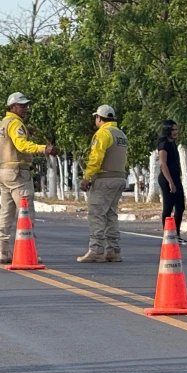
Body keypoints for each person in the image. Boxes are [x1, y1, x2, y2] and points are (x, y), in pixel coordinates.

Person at [0, 92, 57, 264]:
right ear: (12, 107)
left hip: (5, 171)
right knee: (25, 213)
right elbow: (21, 144)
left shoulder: (3, 123)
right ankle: (27, 251)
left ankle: (3, 251)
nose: (25, 109)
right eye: (22, 106)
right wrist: (43, 148)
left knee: (6, 212)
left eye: (26, 105)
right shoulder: (15, 124)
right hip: (17, 174)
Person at [77, 104, 129, 263]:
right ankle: (113, 250)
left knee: (97, 214)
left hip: (104, 179)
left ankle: (96, 250)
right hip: (119, 178)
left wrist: (87, 177)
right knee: (110, 214)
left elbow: (96, 158)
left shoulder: (103, 134)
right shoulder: (120, 134)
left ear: (99, 118)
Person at [156, 120, 186, 238]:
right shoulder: (163, 144)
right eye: (172, 130)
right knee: (168, 206)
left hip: (175, 177)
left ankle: (176, 233)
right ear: (167, 130)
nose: (175, 132)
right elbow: (163, 165)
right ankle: (167, 234)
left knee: (180, 206)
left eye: (176, 129)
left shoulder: (173, 143)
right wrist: (170, 183)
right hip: (166, 178)